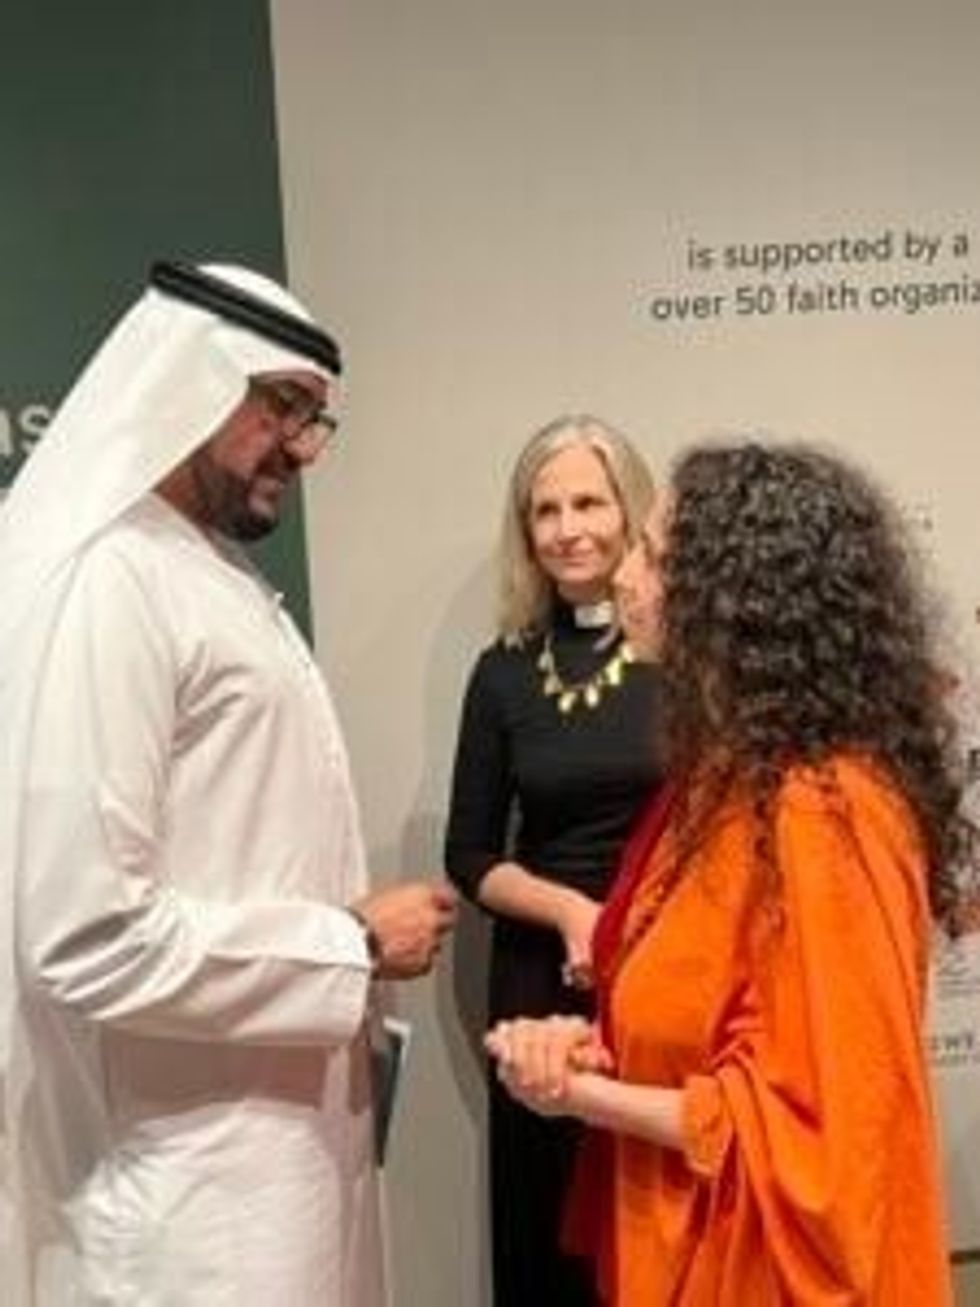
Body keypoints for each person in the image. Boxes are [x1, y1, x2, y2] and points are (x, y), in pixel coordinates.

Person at [0, 259, 457, 1306]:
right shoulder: (114, 582)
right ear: (191, 382)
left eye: (314, 417)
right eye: (281, 404)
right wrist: (349, 942)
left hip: (266, 1160)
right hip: (182, 1201)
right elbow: (86, 936)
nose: (302, 445)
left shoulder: (207, 572)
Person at [486, 441, 964, 1305]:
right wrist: (594, 1050)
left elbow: (822, 1136)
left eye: (652, 553)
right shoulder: (724, 782)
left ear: (733, 598)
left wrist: (584, 1095)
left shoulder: (826, 811)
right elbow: (713, 1030)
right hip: (678, 1251)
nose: (626, 572)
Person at [444, 416, 665, 1306]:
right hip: (541, 978)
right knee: (546, 1223)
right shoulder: (501, 671)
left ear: (630, 511)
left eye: (589, 503)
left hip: (661, 965)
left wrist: (618, 927)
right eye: (546, 510)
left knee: (652, 1212)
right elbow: (469, 853)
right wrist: (572, 912)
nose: (569, 529)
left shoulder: (680, 659)